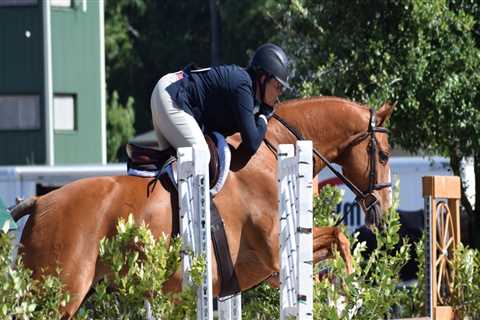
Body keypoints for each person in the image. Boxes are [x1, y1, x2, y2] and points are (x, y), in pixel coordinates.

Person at [150, 43, 290, 161]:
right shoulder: (243, 86)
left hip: (167, 91)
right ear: (263, 78)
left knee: (171, 161)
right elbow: (252, 143)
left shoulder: (243, 86)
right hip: (172, 96)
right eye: (278, 86)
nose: (279, 95)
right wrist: (263, 116)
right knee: (202, 157)